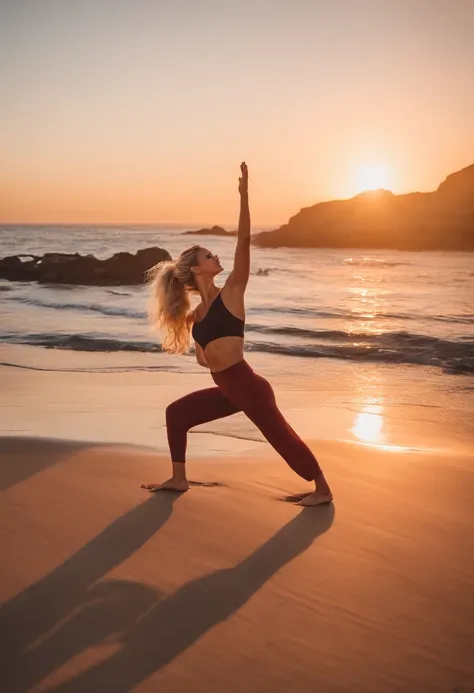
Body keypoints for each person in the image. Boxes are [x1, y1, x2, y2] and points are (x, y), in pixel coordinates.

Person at [141, 162, 333, 506]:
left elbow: (243, 241)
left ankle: (322, 489)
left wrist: (244, 197)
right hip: (228, 390)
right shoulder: (194, 317)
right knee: (177, 414)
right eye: (208, 254)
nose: (216, 256)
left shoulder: (232, 293)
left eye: (214, 252)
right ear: (197, 268)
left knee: (279, 436)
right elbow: (207, 362)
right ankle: (179, 478)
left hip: (249, 387)